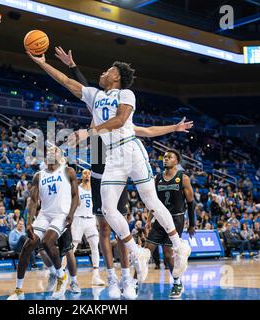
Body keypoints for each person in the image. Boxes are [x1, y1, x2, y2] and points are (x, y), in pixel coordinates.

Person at [54, 46, 193, 298]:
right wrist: (46, 62)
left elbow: (128, 125)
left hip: (130, 150)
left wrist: (89, 132)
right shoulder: (97, 98)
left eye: (108, 70)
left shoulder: (126, 95)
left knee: (150, 201)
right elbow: (71, 83)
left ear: (116, 77)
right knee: (108, 211)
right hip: (111, 156)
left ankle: (178, 245)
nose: (104, 72)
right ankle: (136, 252)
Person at [8, 146, 79, 300]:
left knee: (47, 242)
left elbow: (75, 196)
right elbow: (33, 201)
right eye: (49, 151)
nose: (52, 153)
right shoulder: (38, 176)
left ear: (61, 157)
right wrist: (28, 222)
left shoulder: (68, 171)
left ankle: (62, 277)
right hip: (44, 214)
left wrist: (71, 214)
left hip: (61, 214)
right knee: (28, 246)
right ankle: (18, 290)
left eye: (56, 151)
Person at [144, 149, 196, 299]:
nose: (165, 159)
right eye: (164, 157)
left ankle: (177, 282)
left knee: (167, 253)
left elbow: (191, 203)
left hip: (176, 219)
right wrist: (149, 220)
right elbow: (153, 202)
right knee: (147, 249)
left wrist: (192, 224)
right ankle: (134, 283)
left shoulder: (183, 178)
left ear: (176, 162)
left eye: (169, 157)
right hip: (160, 219)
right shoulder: (157, 178)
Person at [70, 169, 105, 286]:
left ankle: (96, 276)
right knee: (72, 248)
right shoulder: (77, 189)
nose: (87, 175)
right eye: (85, 173)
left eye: (89, 173)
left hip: (90, 220)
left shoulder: (95, 190)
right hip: (78, 219)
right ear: (81, 176)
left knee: (95, 246)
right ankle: (63, 274)